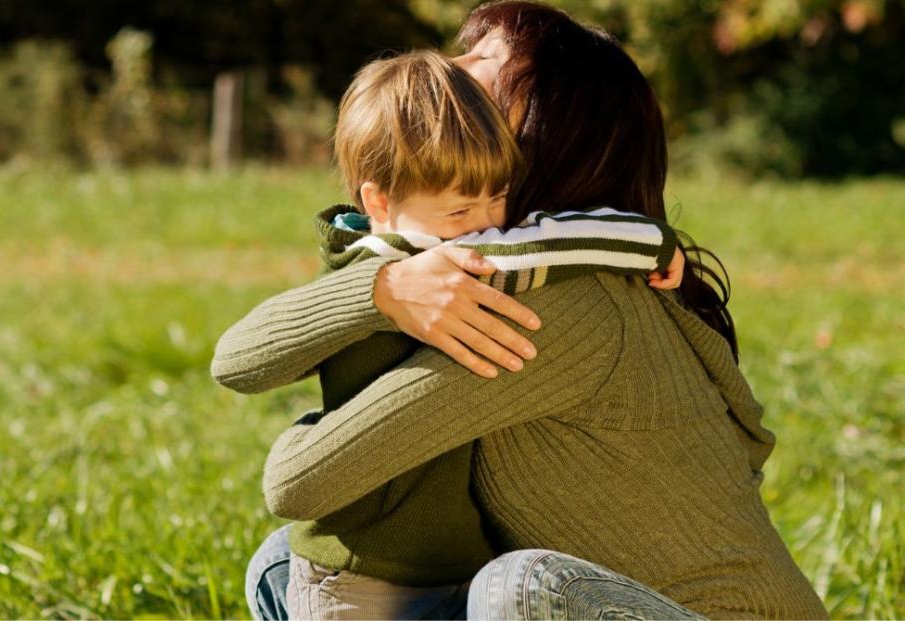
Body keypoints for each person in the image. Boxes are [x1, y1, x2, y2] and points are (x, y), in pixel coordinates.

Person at [218, 2, 828, 619]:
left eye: (482, 64)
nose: (449, 69)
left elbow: (297, 480)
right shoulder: (517, 265)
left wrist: (335, 409)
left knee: (518, 586)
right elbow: (237, 359)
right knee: (285, 563)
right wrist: (383, 289)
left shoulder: (551, 307)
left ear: (539, 130)